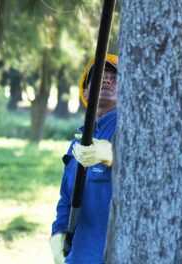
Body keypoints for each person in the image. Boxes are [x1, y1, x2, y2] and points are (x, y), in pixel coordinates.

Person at [50, 54, 118, 264]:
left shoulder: (132, 130)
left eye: (114, 78)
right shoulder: (76, 145)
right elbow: (66, 198)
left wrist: (114, 154)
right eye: (99, 76)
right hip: (78, 255)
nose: (106, 80)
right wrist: (58, 232)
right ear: (85, 92)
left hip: (112, 255)